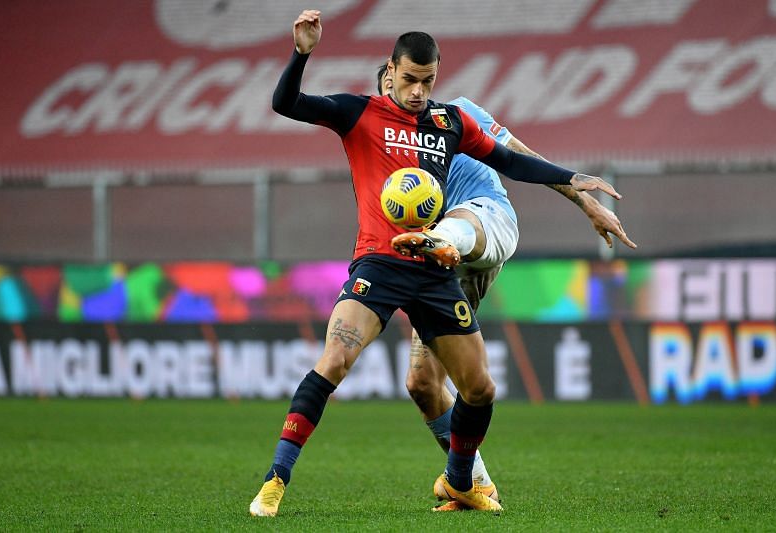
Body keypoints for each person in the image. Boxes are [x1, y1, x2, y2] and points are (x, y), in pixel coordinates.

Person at [250, 9, 624, 517]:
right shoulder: (357, 112)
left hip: (434, 272)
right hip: (379, 265)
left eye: (428, 80)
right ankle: (275, 480)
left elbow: (508, 159)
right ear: (390, 70)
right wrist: (302, 53)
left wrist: (575, 180)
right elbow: (285, 103)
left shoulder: (449, 122)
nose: (419, 90)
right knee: (335, 360)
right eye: (410, 80)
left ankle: (461, 481)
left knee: (480, 388)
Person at [375, 66, 637, 511]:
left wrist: (585, 200)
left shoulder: (458, 114)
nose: (409, 94)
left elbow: (520, 156)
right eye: (392, 89)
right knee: (422, 383)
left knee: (454, 226)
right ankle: (473, 483)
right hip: (435, 264)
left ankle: (443, 241)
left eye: (416, 84)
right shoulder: (381, 144)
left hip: (484, 222)